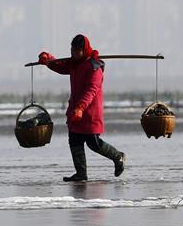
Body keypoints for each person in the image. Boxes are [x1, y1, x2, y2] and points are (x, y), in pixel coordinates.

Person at [38, 34, 125, 182]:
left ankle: (118, 156)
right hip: (76, 110)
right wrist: (48, 59)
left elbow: (91, 90)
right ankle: (81, 173)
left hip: (89, 112)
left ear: (83, 50)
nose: (72, 53)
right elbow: (60, 65)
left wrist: (81, 107)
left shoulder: (94, 67)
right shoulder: (74, 63)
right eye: (71, 50)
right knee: (74, 140)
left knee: (93, 143)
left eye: (76, 50)